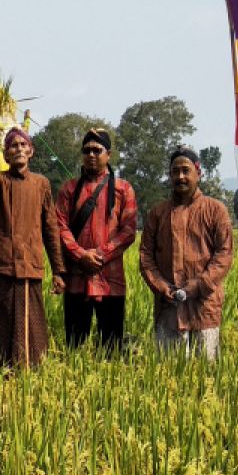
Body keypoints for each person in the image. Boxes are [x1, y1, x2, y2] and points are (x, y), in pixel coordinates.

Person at [0, 126, 65, 367]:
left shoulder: (41, 184)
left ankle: (31, 372)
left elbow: (50, 228)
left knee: (30, 324)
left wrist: (58, 270)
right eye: (13, 146)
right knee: (1, 323)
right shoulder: (0, 181)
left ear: (32, 151)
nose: (19, 149)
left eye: (23, 145)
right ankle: (1, 373)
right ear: (5, 154)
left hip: (30, 264)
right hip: (3, 265)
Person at [139, 146, 233, 360]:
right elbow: (145, 256)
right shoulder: (157, 213)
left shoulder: (215, 210)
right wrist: (162, 287)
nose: (180, 176)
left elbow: (224, 254)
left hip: (204, 305)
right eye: (175, 171)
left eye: (185, 170)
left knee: (205, 375)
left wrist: (198, 285)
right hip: (168, 306)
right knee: (168, 373)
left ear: (198, 173)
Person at [55, 128, 138, 351]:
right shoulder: (69, 189)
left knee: (111, 346)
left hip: (109, 280)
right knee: (74, 344)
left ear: (108, 154)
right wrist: (81, 255)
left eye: (97, 150)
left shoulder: (124, 189)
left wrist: (100, 255)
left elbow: (129, 231)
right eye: (87, 150)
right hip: (77, 278)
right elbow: (60, 226)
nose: (91, 154)